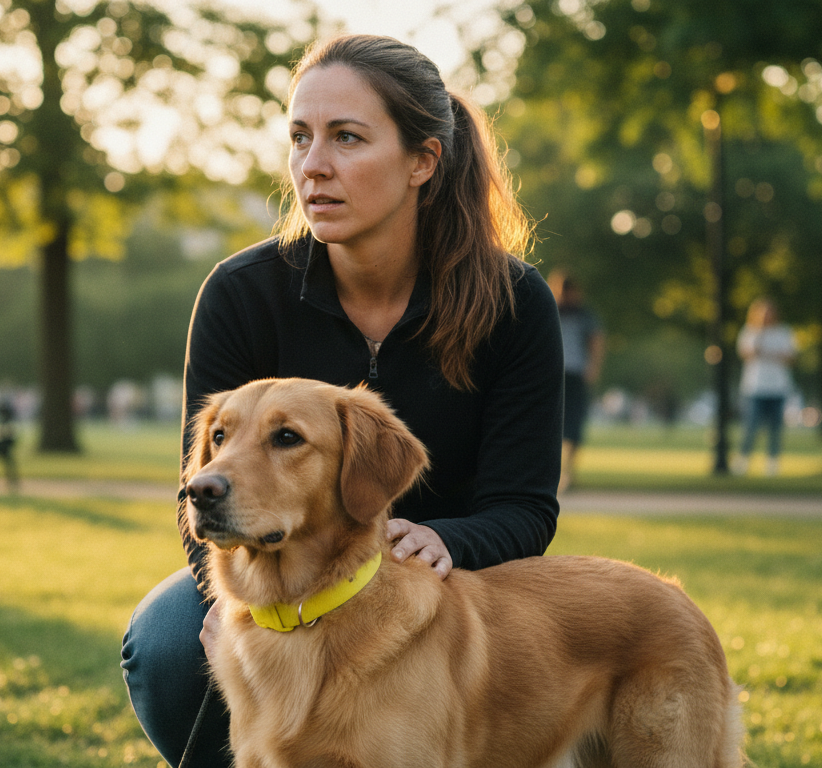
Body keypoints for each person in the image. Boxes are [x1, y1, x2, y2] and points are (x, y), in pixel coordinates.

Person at [120, 34, 564, 768]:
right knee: (169, 640)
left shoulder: (512, 301)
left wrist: (449, 540)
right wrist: (225, 606)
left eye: (346, 138)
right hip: (288, 576)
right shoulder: (242, 292)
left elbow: (525, 506)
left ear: (422, 161)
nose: (312, 166)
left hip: (450, 588)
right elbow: (200, 491)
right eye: (300, 138)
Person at [548, 270, 604, 491]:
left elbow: (597, 340)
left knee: (573, 424)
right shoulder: (549, 309)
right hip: (552, 374)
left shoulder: (584, 315)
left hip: (574, 374)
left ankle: (568, 472)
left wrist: (593, 367)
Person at [734, 298, 796, 476]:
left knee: (775, 427)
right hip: (755, 386)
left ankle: (772, 463)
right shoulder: (750, 332)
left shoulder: (784, 332)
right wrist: (761, 337)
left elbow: (790, 357)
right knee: (751, 425)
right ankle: (743, 460)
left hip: (778, 386)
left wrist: (771, 354)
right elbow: (747, 353)